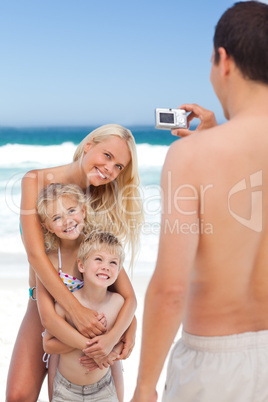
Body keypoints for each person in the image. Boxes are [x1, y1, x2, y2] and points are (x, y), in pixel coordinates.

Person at [132, 1, 268, 401]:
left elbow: (171, 288)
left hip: (214, 367)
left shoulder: (192, 157)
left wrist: (144, 387)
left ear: (222, 60)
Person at [6, 124, 143, 402]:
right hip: (46, 300)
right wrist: (73, 309)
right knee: (18, 396)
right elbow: (36, 255)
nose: (109, 170)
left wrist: (129, 323)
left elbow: (109, 266)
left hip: (94, 311)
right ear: (90, 144)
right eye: (107, 156)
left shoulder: (99, 199)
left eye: (118, 167)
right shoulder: (34, 182)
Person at [36, 183, 132, 401]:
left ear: (83, 210)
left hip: (106, 342)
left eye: (71, 211)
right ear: (48, 226)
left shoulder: (99, 251)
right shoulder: (50, 260)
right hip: (67, 345)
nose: (68, 221)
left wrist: (112, 343)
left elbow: (127, 301)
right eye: (57, 217)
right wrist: (93, 347)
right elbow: (49, 322)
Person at [43, 231, 126, 402]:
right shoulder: (67, 304)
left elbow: (124, 338)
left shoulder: (118, 302)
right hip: (67, 390)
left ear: (118, 271)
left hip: (103, 388)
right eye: (98, 259)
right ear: (81, 266)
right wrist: (86, 341)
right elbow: (48, 345)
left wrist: (112, 353)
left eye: (113, 262)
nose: (106, 266)